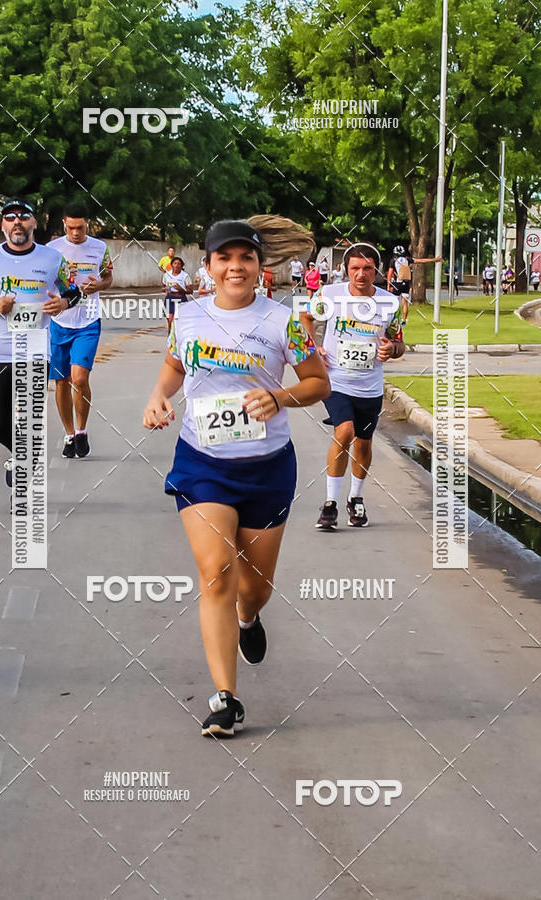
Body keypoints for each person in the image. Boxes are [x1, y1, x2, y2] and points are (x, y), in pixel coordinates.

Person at [143, 216, 329, 737]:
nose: (235, 267)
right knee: (216, 574)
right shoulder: (188, 315)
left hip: (268, 467)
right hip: (202, 463)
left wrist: (280, 396)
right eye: (224, 258)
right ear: (209, 266)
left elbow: (317, 382)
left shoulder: (284, 321)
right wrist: (159, 395)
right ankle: (226, 698)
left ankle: (250, 618)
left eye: (245, 257)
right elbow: (175, 365)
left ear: (259, 265)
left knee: (255, 587)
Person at [0, 198, 80, 487]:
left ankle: (23, 485)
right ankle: (18, 454)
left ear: (33, 224)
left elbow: (73, 291)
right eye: (10, 218)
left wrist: (63, 302)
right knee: (0, 425)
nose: (17, 222)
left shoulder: (52, 259)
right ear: (2, 225)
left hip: (36, 351)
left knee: (29, 419)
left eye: (23, 217)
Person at [300, 243, 405, 530]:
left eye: (367, 268)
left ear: (377, 271)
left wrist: (391, 350)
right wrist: (314, 347)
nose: (361, 274)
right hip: (336, 380)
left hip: (369, 386)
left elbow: (399, 342)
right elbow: (306, 317)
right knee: (344, 431)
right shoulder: (330, 295)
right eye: (355, 268)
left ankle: (355, 498)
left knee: (364, 442)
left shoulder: (389, 303)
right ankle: (330, 503)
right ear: (346, 270)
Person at [47, 203, 113, 458]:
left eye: (81, 227)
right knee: (61, 382)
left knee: (79, 378)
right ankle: (69, 433)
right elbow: (44, 280)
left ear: (88, 224)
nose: (76, 232)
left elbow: (108, 277)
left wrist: (101, 285)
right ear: (64, 223)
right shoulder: (52, 250)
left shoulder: (100, 248)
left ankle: (82, 430)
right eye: (71, 227)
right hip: (60, 322)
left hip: (87, 321)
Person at [387, 244, 441, 323]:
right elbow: (421, 261)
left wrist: (388, 286)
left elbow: (389, 274)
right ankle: (404, 320)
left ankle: (395, 319)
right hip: (406, 283)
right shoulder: (407, 260)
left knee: (395, 303)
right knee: (404, 303)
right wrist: (435, 259)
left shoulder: (393, 261)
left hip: (397, 284)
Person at [162, 256, 193, 332]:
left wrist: (180, 289)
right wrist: (166, 289)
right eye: (175, 263)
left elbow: (190, 291)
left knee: (178, 323)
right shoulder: (167, 275)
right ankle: (170, 340)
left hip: (181, 299)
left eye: (179, 264)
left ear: (182, 266)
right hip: (169, 298)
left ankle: (178, 339)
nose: (177, 265)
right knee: (170, 321)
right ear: (171, 265)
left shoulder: (185, 276)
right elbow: (163, 287)